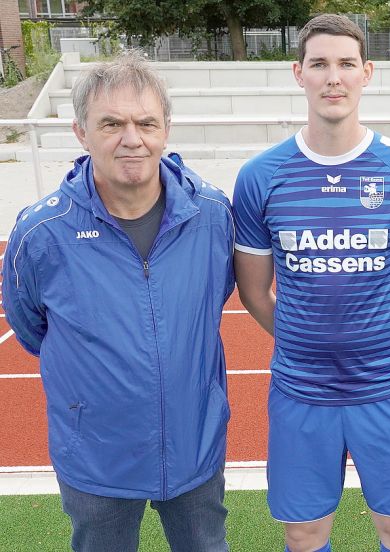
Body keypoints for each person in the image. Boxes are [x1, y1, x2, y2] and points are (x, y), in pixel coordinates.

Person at [1, 51, 234, 551]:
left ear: (166, 129)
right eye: (111, 123)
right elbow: (29, 325)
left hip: (195, 445)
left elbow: (215, 297)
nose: (132, 138)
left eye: (146, 122)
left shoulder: (212, 215)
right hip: (96, 456)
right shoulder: (41, 232)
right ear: (81, 132)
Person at [232, 14, 390, 552]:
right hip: (301, 391)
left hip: (388, 388)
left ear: (366, 73)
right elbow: (255, 292)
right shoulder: (262, 176)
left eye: (346, 64)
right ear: (298, 73)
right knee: (304, 535)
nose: (334, 77)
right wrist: (302, 338)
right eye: (320, 64)